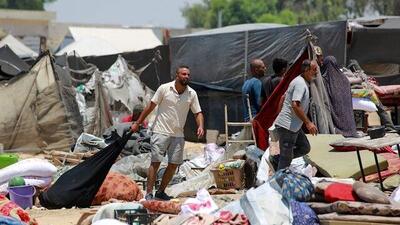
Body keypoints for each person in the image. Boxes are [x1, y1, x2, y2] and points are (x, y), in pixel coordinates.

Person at [131, 65, 204, 201]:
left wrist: (200, 126)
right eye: (183, 74)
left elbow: (198, 112)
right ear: (177, 76)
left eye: (188, 74)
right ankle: (149, 193)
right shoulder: (164, 88)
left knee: (174, 164)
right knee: (156, 162)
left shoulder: (191, 93)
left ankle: (160, 191)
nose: (186, 77)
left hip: (178, 134)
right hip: (160, 131)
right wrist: (138, 122)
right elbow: (150, 106)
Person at [270, 59, 318, 170]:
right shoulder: (300, 83)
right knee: (285, 161)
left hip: (293, 126)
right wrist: (308, 123)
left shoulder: (300, 81)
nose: (316, 72)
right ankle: (280, 183)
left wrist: (279, 115)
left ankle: (277, 159)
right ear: (306, 70)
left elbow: (283, 97)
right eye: (314, 70)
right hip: (288, 127)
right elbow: (295, 105)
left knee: (304, 147)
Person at [321, 56, 358, 137]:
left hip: (335, 109)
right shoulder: (343, 78)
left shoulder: (325, 80)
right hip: (347, 110)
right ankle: (350, 131)